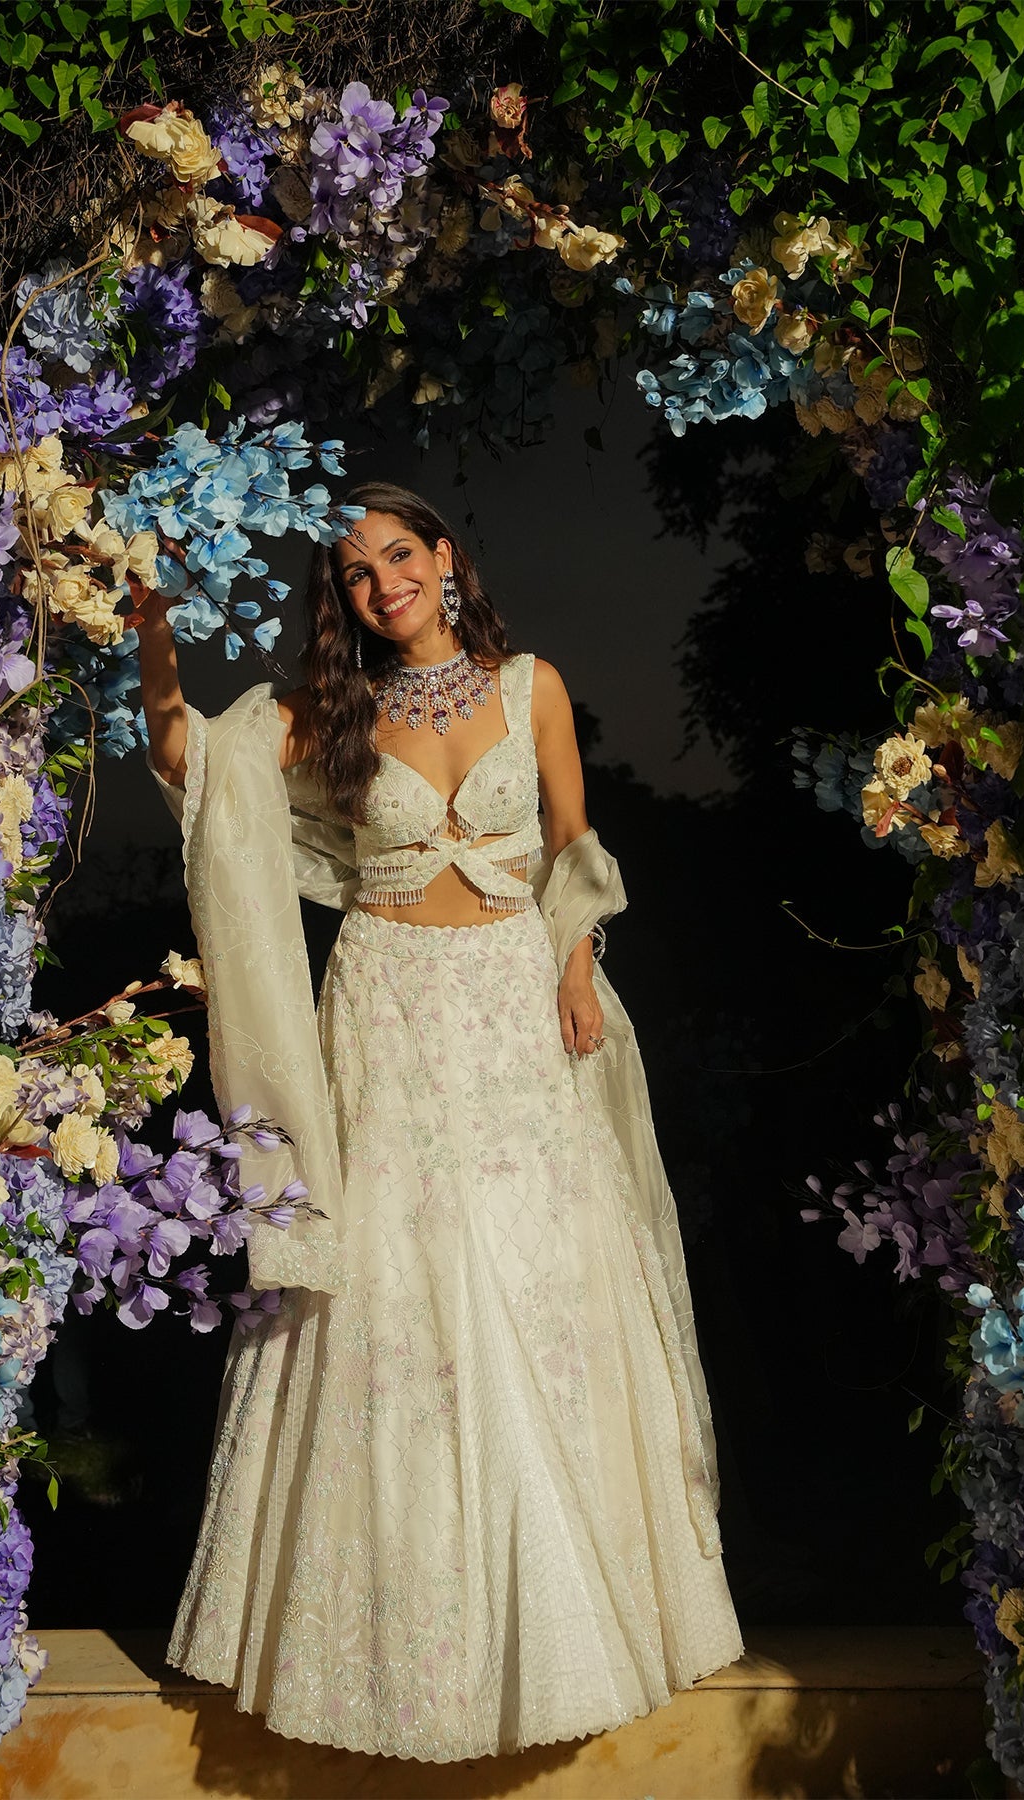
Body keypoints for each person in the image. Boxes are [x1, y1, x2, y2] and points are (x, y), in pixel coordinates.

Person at [137, 479, 744, 1762]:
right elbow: (198, 770)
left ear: (444, 556)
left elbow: (574, 844)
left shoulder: (533, 685)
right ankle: (393, 1655)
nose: (382, 582)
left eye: (397, 554)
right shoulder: (331, 710)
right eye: (355, 572)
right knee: (399, 1295)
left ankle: (579, 1621)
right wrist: (151, 635)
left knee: (544, 1281)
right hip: (390, 1011)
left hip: (517, 1003)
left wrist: (574, 967)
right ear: (342, 600)